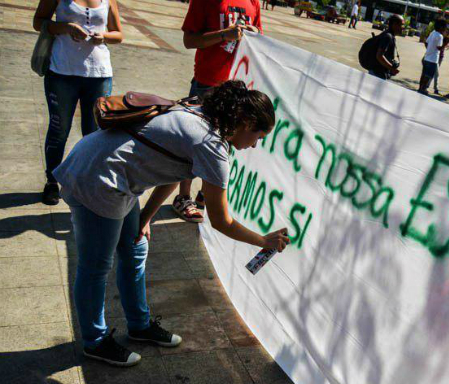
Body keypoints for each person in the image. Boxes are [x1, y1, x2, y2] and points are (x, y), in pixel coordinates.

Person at [52, 81, 291, 367]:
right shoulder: (212, 145)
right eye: (257, 137)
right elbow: (221, 221)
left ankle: (139, 326)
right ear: (246, 122)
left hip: (112, 171)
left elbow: (173, 168)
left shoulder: (202, 111)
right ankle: (95, 341)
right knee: (96, 267)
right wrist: (264, 241)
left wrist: (146, 217)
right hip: (97, 178)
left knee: (135, 248)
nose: (253, 145)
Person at [176, 0, 262, 223]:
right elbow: (189, 40)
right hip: (207, 84)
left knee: (223, 145)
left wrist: (254, 35)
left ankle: (205, 197)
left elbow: (261, 40)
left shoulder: (253, 1)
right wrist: (224, 35)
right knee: (192, 144)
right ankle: (183, 197)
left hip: (236, 88)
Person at [32, 0, 123, 206]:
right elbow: (38, 22)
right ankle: (52, 181)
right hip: (62, 72)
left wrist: (104, 37)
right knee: (59, 130)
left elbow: (118, 34)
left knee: (94, 134)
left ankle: (86, 181)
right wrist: (65, 27)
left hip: (99, 74)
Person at [418, 19, 447, 94]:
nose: (445, 29)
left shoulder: (433, 33)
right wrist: (445, 44)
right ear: (441, 27)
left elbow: (426, 42)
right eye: (444, 27)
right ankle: (423, 89)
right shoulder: (440, 36)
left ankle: (420, 88)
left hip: (426, 57)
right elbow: (439, 48)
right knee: (428, 75)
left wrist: (429, 50)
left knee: (424, 74)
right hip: (433, 59)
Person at [369, 15, 403, 80]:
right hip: (377, 74)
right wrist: (392, 68)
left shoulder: (389, 35)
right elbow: (379, 56)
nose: (403, 28)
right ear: (394, 25)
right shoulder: (388, 37)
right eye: (401, 25)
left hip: (378, 72)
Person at [429, 28, 449, 95]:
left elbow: (446, 47)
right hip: (435, 56)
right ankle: (435, 88)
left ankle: (428, 86)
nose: (445, 33)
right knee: (436, 73)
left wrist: (446, 44)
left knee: (434, 72)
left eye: (447, 32)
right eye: (445, 31)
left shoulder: (446, 39)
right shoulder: (439, 37)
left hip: (440, 57)